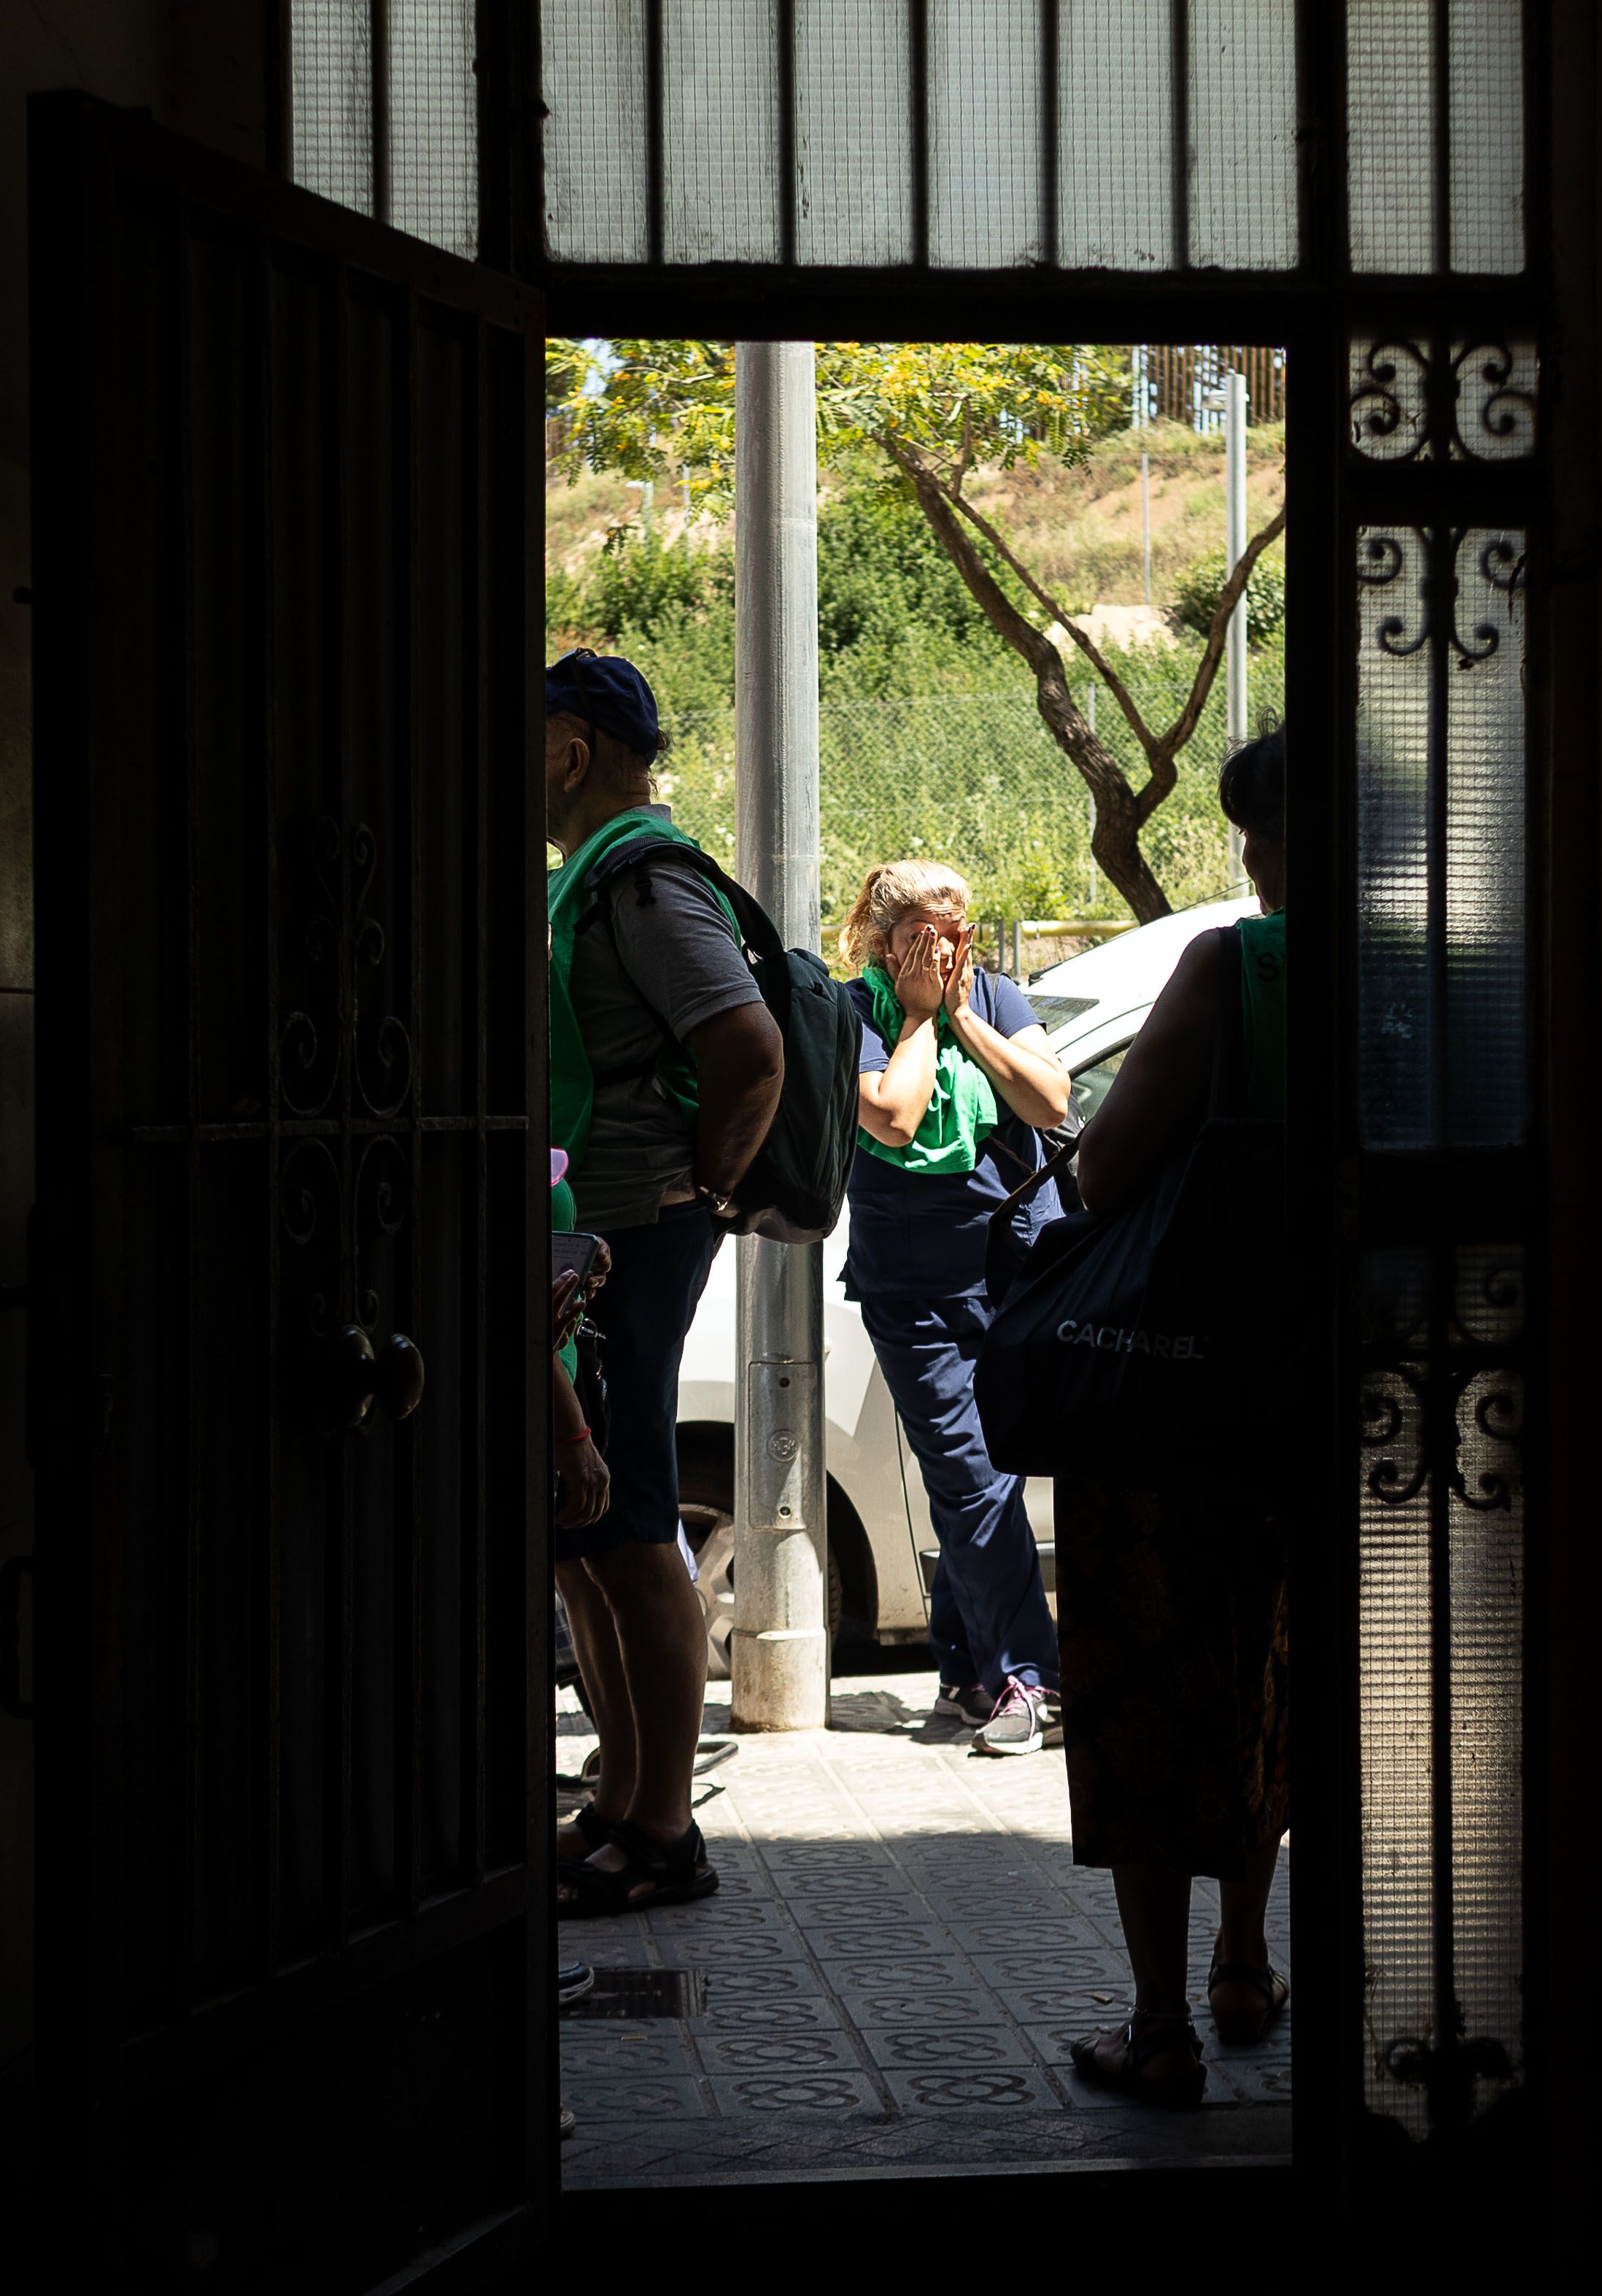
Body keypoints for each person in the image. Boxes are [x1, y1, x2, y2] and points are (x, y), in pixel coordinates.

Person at [1053, 726, 1295, 2106]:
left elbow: (1103, 1168)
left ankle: (1157, 2026)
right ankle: (1250, 1958)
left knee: (1149, 1680)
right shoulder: (1438, 970)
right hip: (1315, 1395)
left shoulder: (1236, 964)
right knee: (1267, 1670)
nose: (1251, 859)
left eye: (1258, 830)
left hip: (1172, 1393)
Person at [541, 649, 786, 1918]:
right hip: (598, 1231)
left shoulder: (642, 878)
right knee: (589, 1533)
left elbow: (747, 1048)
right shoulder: (592, 877)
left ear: (572, 749)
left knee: (634, 1534)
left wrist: (707, 1186)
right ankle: (619, 1799)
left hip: (633, 1231)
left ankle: (661, 1826)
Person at [836, 859, 1073, 1753]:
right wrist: (922, 1018)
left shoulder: (997, 1001)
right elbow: (892, 1117)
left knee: (983, 1475)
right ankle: (1028, 1679)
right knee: (971, 1476)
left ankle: (964, 1667)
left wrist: (966, 1016)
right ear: (882, 939)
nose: (943, 950)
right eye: (921, 937)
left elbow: (1047, 1101)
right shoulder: (853, 1013)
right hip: (913, 1291)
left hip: (1012, 1274)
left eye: (956, 932)